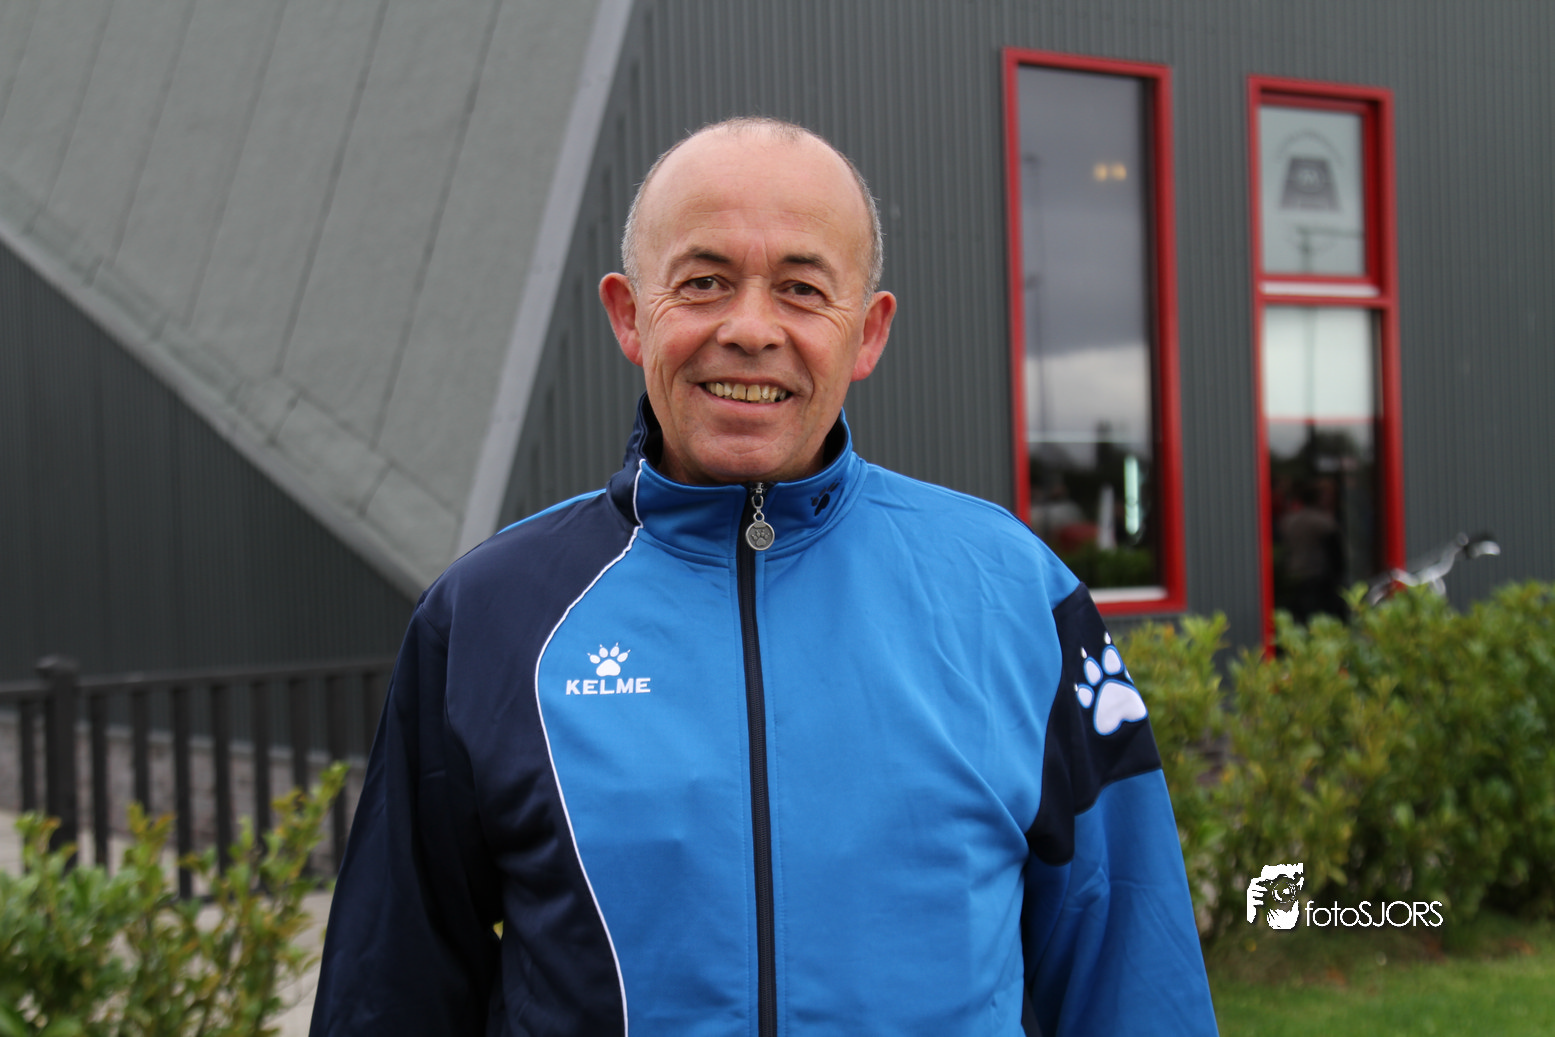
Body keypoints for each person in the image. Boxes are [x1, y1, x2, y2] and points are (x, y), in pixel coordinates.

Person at [310, 117, 1217, 1036]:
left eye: (801, 289)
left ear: (867, 333)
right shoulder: (488, 614)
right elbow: (391, 992)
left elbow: (1130, 967)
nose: (749, 330)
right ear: (629, 315)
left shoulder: (1016, 596)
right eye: (703, 282)